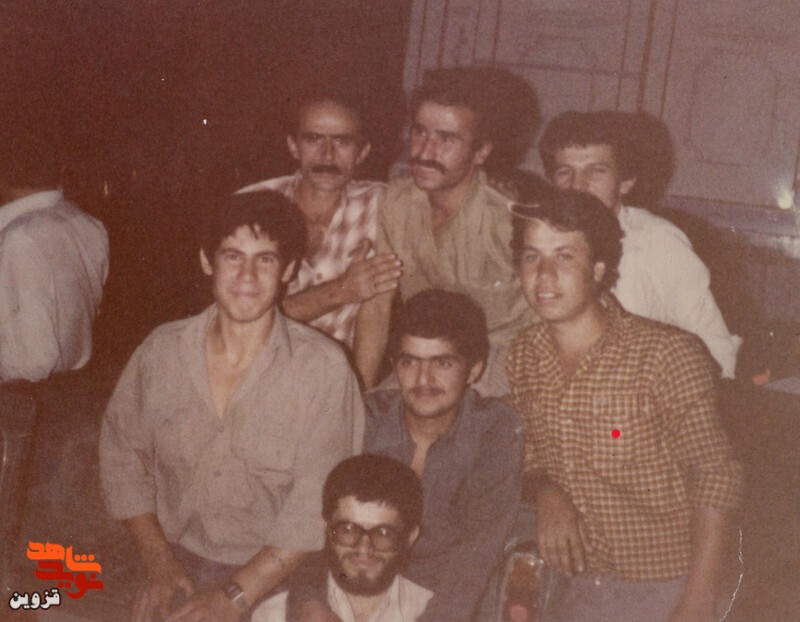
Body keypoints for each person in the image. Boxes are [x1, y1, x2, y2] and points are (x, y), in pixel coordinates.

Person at [99, 190, 365, 622]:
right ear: (208, 262)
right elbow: (121, 455)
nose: (247, 275)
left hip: (281, 568)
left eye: (265, 259)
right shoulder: (161, 351)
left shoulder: (324, 369)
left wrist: (234, 597)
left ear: (288, 270)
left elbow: (316, 504)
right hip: (172, 556)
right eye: (232, 256)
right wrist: (158, 562)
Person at [506, 189, 744, 621]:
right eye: (531, 257)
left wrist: (697, 599)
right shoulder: (524, 354)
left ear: (598, 269)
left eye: (564, 257)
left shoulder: (666, 355)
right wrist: (545, 492)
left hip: (668, 583)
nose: (544, 275)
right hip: (577, 585)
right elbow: (531, 455)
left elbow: (716, 478)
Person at [290, 289, 524, 622]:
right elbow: (312, 520)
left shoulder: (493, 432)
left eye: (442, 363)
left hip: (437, 604)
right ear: (395, 366)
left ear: (473, 370)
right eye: (409, 362)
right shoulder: (365, 419)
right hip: (346, 589)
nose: (423, 380)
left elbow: (476, 557)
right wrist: (310, 601)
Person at [369, 67, 538, 395]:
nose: (424, 152)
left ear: (481, 152)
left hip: (505, 359)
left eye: (446, 139)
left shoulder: (507, 219)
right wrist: (362, 393)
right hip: (426, 355)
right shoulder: (395, 202)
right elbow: (377, 305)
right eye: (419, 132)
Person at [538, 110, 740, 378]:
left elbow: (715, 351)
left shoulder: (658, 242)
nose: (577, 185)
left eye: (596, 171)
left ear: (625, 182)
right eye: (565, 172)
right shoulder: (539, 239)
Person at [238, 88, 401, 387]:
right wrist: (341, 290)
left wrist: (357, 395)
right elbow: (242, 316)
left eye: (342, 141)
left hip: (333, 380)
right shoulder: (252, 204)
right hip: (253, 373)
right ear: (293, 146)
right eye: (313, 139)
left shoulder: (383, 205)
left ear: (362, 152)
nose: (327, 155)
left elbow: (377, 308)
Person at [252, 454, 432, 622]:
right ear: (326, 527)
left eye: (383, 534)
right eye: (348, 530)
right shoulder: (274, 615)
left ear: (410, 537)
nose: (364, 548)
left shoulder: (435, 612)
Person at [0, 126, 108, 382]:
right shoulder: (86, 223)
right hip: (74, 386)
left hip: (26, 397)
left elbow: (33, 361)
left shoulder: (19, 240)